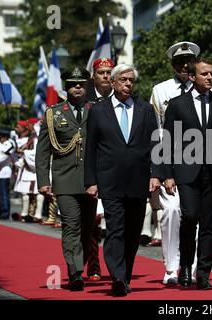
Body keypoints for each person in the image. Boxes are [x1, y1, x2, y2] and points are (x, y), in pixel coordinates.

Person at [162, 57, 212, 290]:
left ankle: (203, 273)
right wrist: (167, 174)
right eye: (204, 74)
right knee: (190, 216)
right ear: (192, 77)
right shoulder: (177, 104)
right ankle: (184, 266)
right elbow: (167, 141)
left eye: (211, 74)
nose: (209, 77)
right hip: (186, 171)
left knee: (208, 223)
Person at [84, 64, 161, 296]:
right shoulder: (99, 111)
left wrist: (156, 173)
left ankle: (125, 276)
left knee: (133, 232)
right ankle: (117, 276)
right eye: (123, 80)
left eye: (131, 81)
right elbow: (91, 148)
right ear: (113, 82)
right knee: (116, 228)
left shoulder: (146, 109)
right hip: (110, 181)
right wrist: (91, 181)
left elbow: (155, 144)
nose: (128, 84)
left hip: (138, 181)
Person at [36, 66, 97, 291]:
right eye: (73, 84)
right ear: (66, 87)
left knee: (87, 228)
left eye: (81, 83)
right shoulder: (54, 114)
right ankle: (75, 272)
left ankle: (79, 264)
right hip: (65, 180)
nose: (77, 87)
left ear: (87, 86)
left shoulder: (96, 110)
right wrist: (43, 180)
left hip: (91, 181)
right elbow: (43, 151)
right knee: (71, 225)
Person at [150, 41, 200, 285]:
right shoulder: (160, 90)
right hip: (169, 157)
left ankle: (191, 266)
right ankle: (171, 268)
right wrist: (162, 170)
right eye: (179, 62)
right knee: (170, 211)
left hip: (198, 159)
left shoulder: (203, 88)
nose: (183, 66)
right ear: (172, 65)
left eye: (188, 61)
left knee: (194, 214)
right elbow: (157, 130)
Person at [84, 57, 115, 282]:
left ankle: (117, 267)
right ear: (93, 76)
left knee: (115, 222)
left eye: (108, 72)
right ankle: (93, 265)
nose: (105, 76)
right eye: (101, 72)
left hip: (115, 169)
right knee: (91, 222)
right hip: (92, 167)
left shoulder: (122, 99)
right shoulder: (84, 100)